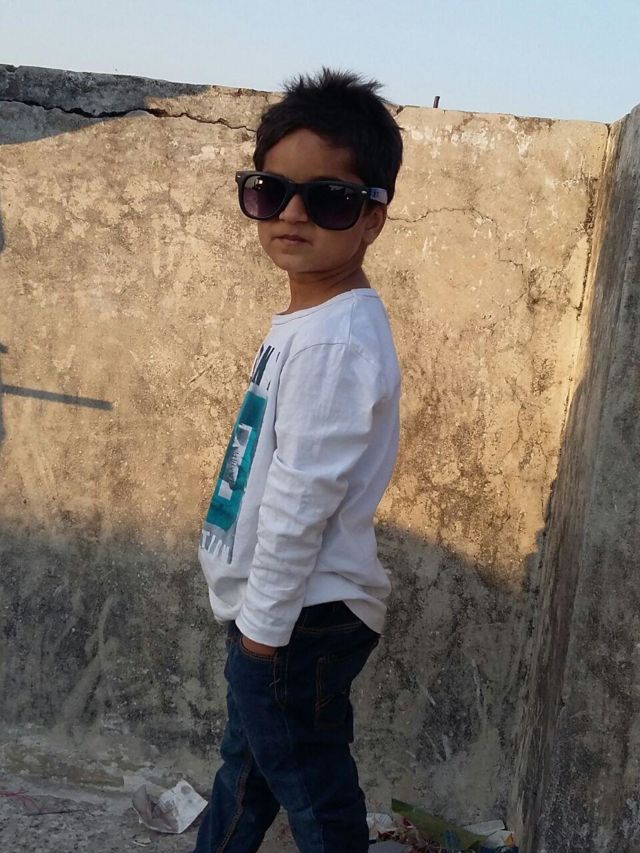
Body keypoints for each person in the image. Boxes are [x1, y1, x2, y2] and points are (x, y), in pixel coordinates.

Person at [194, 68, 403, 853]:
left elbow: (300, 496)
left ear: (372, 218)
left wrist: (262, 633)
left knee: (313, 792)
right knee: (247, 775)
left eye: (328, 199)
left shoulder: (337, 340)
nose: (291, 213)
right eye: (270, 190)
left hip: (296, 618)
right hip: (277, 610)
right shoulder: (310, 318)